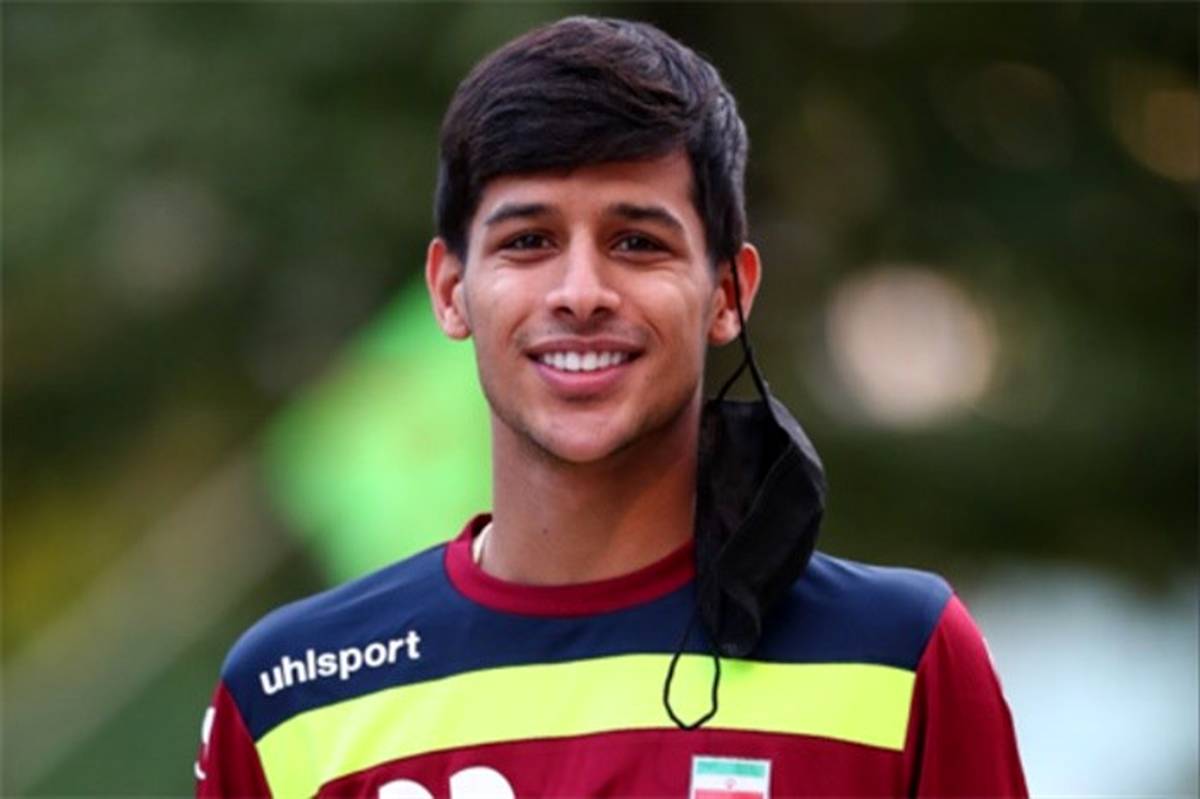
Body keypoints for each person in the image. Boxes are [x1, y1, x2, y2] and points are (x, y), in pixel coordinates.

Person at [195, 16, 1027, 798]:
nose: (581, 292)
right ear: (451, 291)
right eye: (528, 241)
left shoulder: (900, 656)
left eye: (637, 242)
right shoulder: (289, 694)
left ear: (728, 293)